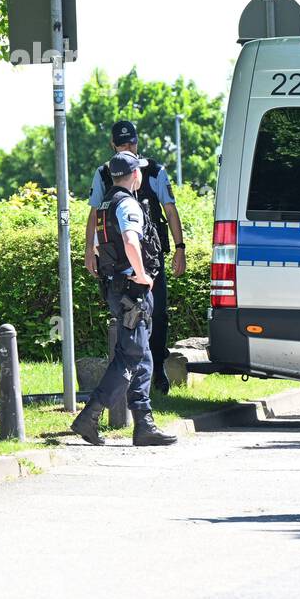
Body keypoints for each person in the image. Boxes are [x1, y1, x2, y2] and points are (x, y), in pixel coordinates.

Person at [71, 152, 177, 447]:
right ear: (134, 175)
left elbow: (97, 246)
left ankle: (144, 425)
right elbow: (131, 241)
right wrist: (142, 275)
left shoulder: (105, 205)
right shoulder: (127, 203)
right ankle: (89, 417)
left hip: (117, 288)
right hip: (133, 290)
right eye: (139, 171)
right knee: (130, 355)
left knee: (141, 354)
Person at [84, 120, 185, 394]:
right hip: (117, 259)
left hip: (151, 259)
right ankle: (132, 384)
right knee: (126, 316)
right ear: (113, 146)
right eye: (123, 144)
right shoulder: (104, 174)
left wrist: (180, 248)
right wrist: (89, 250)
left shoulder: (153, 170)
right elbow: (94, 214)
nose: (129, 148)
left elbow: (170, 209)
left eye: (132, 143)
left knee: (158, 314)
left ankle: (156, 371)